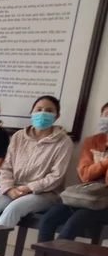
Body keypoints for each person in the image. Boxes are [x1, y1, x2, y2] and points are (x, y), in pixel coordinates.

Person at [0, 95, 72, 229]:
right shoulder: (19, 136)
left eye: (49, 110)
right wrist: (9, 188)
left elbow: (56, 176)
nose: (43, 113)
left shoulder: (64, 141)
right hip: (14, 187)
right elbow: (6, 167)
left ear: (56, 116)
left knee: (13, 209)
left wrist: (28, 188)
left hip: (45, 194)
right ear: (31, 113)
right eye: (39, 109)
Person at [38, 101, 108, 242]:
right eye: (106, 115)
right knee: (48, 219)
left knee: (74, 222)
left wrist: (97, 166)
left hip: (105, 203)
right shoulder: (92, 141)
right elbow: (85, 175)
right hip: (85, 195)